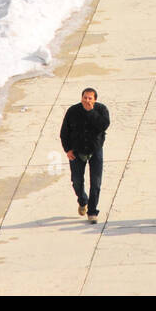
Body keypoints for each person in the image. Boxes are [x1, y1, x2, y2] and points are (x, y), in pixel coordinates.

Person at [59, 87, 110, 223]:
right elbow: (64, 132)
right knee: (76, 181)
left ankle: (92, 212)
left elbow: (104, 125)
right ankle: (83, 201)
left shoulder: (101, 110)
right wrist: (67, 149)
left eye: (90, 98)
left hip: (95, 151)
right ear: (81, 98)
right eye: (85, 98)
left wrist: (91, 112)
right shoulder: (72, 111)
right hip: (76, 152)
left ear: (95, 100)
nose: (87, 100)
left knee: (96, 182)